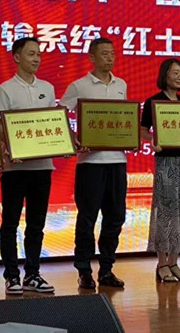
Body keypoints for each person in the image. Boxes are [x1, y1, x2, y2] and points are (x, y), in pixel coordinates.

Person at [60, 37, 128, 289]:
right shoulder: (79, 86)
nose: (110, 57)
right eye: (104, 53)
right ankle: (84, 270)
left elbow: (124, 119)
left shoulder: (121, 84)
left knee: (116, 217)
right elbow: (59, 114)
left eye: (112, 53)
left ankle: (107, 269)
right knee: (87, 219)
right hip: (90, 163)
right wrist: (73, 139)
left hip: (117, 160)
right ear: (91, 57)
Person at [0, 37, 56, 294]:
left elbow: (53, 123)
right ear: (17, 57)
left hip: (42, 167)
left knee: (36, 224)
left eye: (38, 54)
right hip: (15, 168)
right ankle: (11, 276)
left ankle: (32, 273)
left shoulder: (47, 88)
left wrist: (60, 144)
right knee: (10, 223)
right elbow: (0, 127)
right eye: (31, 54)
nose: (36, 58)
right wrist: (9, 150)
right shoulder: (5, 89)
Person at [140, 59, 180, 283]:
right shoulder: (153, 101)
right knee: (166, 212)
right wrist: (153, 139)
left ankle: (175, 261)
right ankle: (162, 264)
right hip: (166, 162)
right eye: (175, 72)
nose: (179, 77)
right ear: (164, 75)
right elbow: (143, 131)